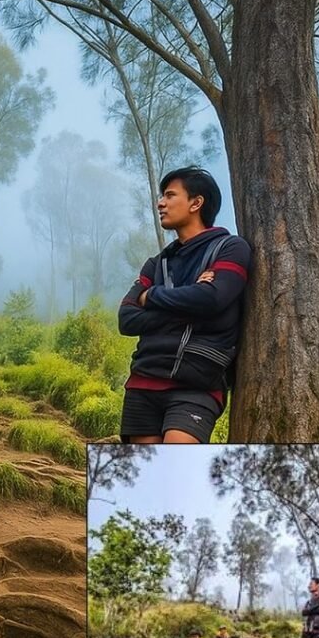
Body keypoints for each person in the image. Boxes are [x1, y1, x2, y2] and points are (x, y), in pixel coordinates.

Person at [118, 166, 252, 444]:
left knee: (177, 473)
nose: (160, 203)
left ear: (196, 202)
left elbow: (213, 299)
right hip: (143, 382)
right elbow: (127, 319)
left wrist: (150, 297)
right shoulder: (157, 263)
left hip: (196, 387)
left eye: (169, 195)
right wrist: (191, 304)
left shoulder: (230, 248)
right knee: (144, 482)